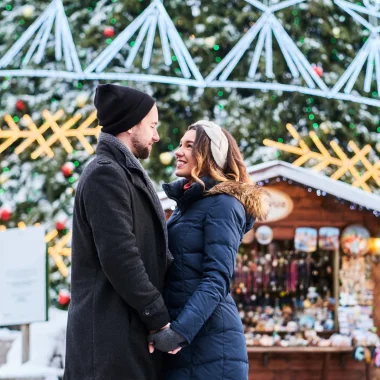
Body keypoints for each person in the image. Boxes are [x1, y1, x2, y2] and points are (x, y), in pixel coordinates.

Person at [63, 84, 173, 380]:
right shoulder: (105, 173)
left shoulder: (121, 171)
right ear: (131, 125)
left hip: (122, 336)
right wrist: (157, 317)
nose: (156, 136)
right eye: (152, 126)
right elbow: (120, 255)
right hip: (108, 343)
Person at [149, 120, 269, 379]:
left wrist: (179, 332)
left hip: (211, 347)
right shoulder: (190, 204)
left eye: (189, 146)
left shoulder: (223, 204)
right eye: (180, 145)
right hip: (188, 341)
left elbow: (217, 279)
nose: (178, 152)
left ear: (210, 155)